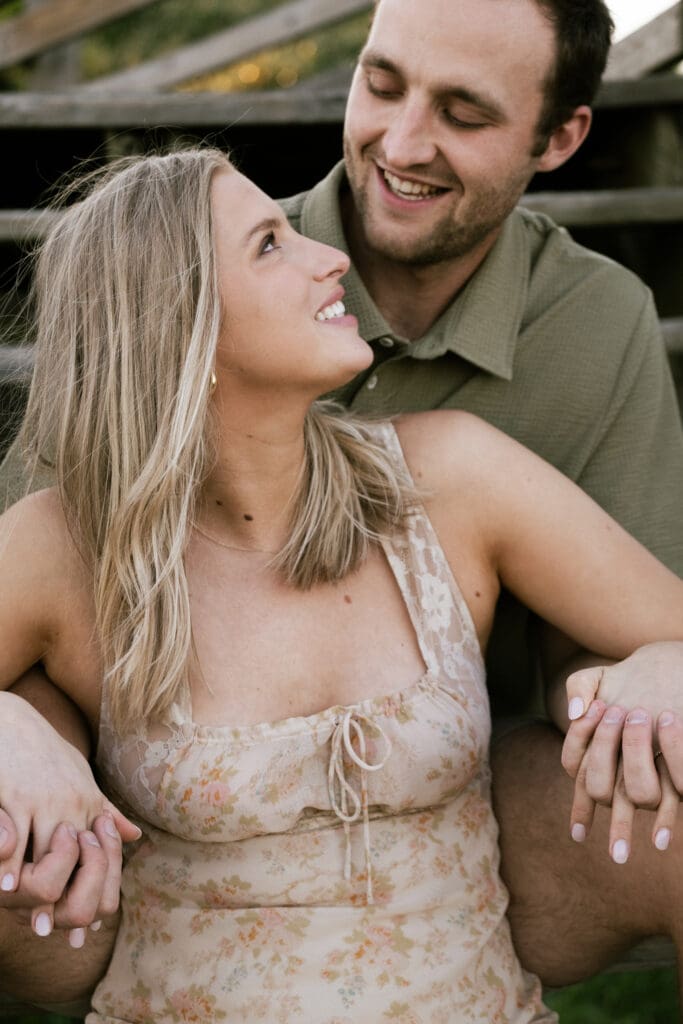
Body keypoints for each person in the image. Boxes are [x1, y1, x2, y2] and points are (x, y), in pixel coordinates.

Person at [2, 0, 683, 1010]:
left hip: (476, 836)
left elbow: (652, 623)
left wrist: (664, 660)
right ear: (178, 332)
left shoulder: (461, 459)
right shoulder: (71, 524)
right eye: (380, 82)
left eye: (462, 111)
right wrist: (12, 730)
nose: (331, 262)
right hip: (154, 898)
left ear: (559, 137)